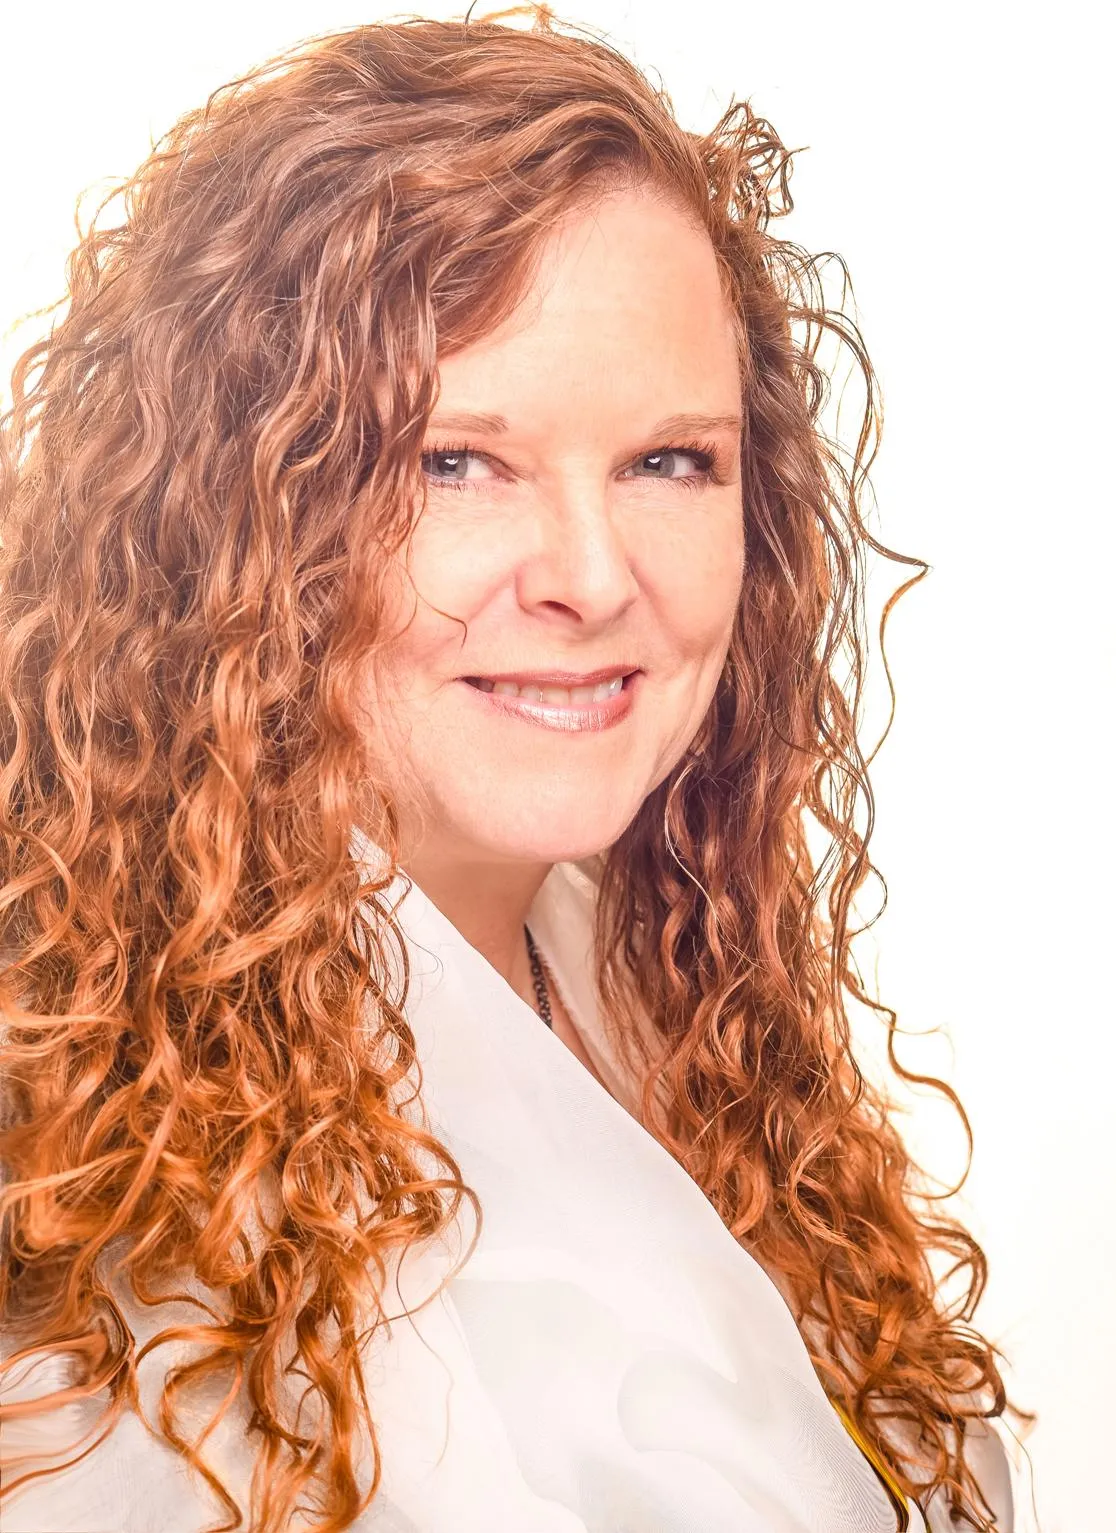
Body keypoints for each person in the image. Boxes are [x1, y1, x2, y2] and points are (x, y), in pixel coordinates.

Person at [0, 7, 1038, 1531]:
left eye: (669, 461)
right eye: (453, 460)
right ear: (231, 521)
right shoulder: (82, 1180)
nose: (592, 576)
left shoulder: (688, 1028)